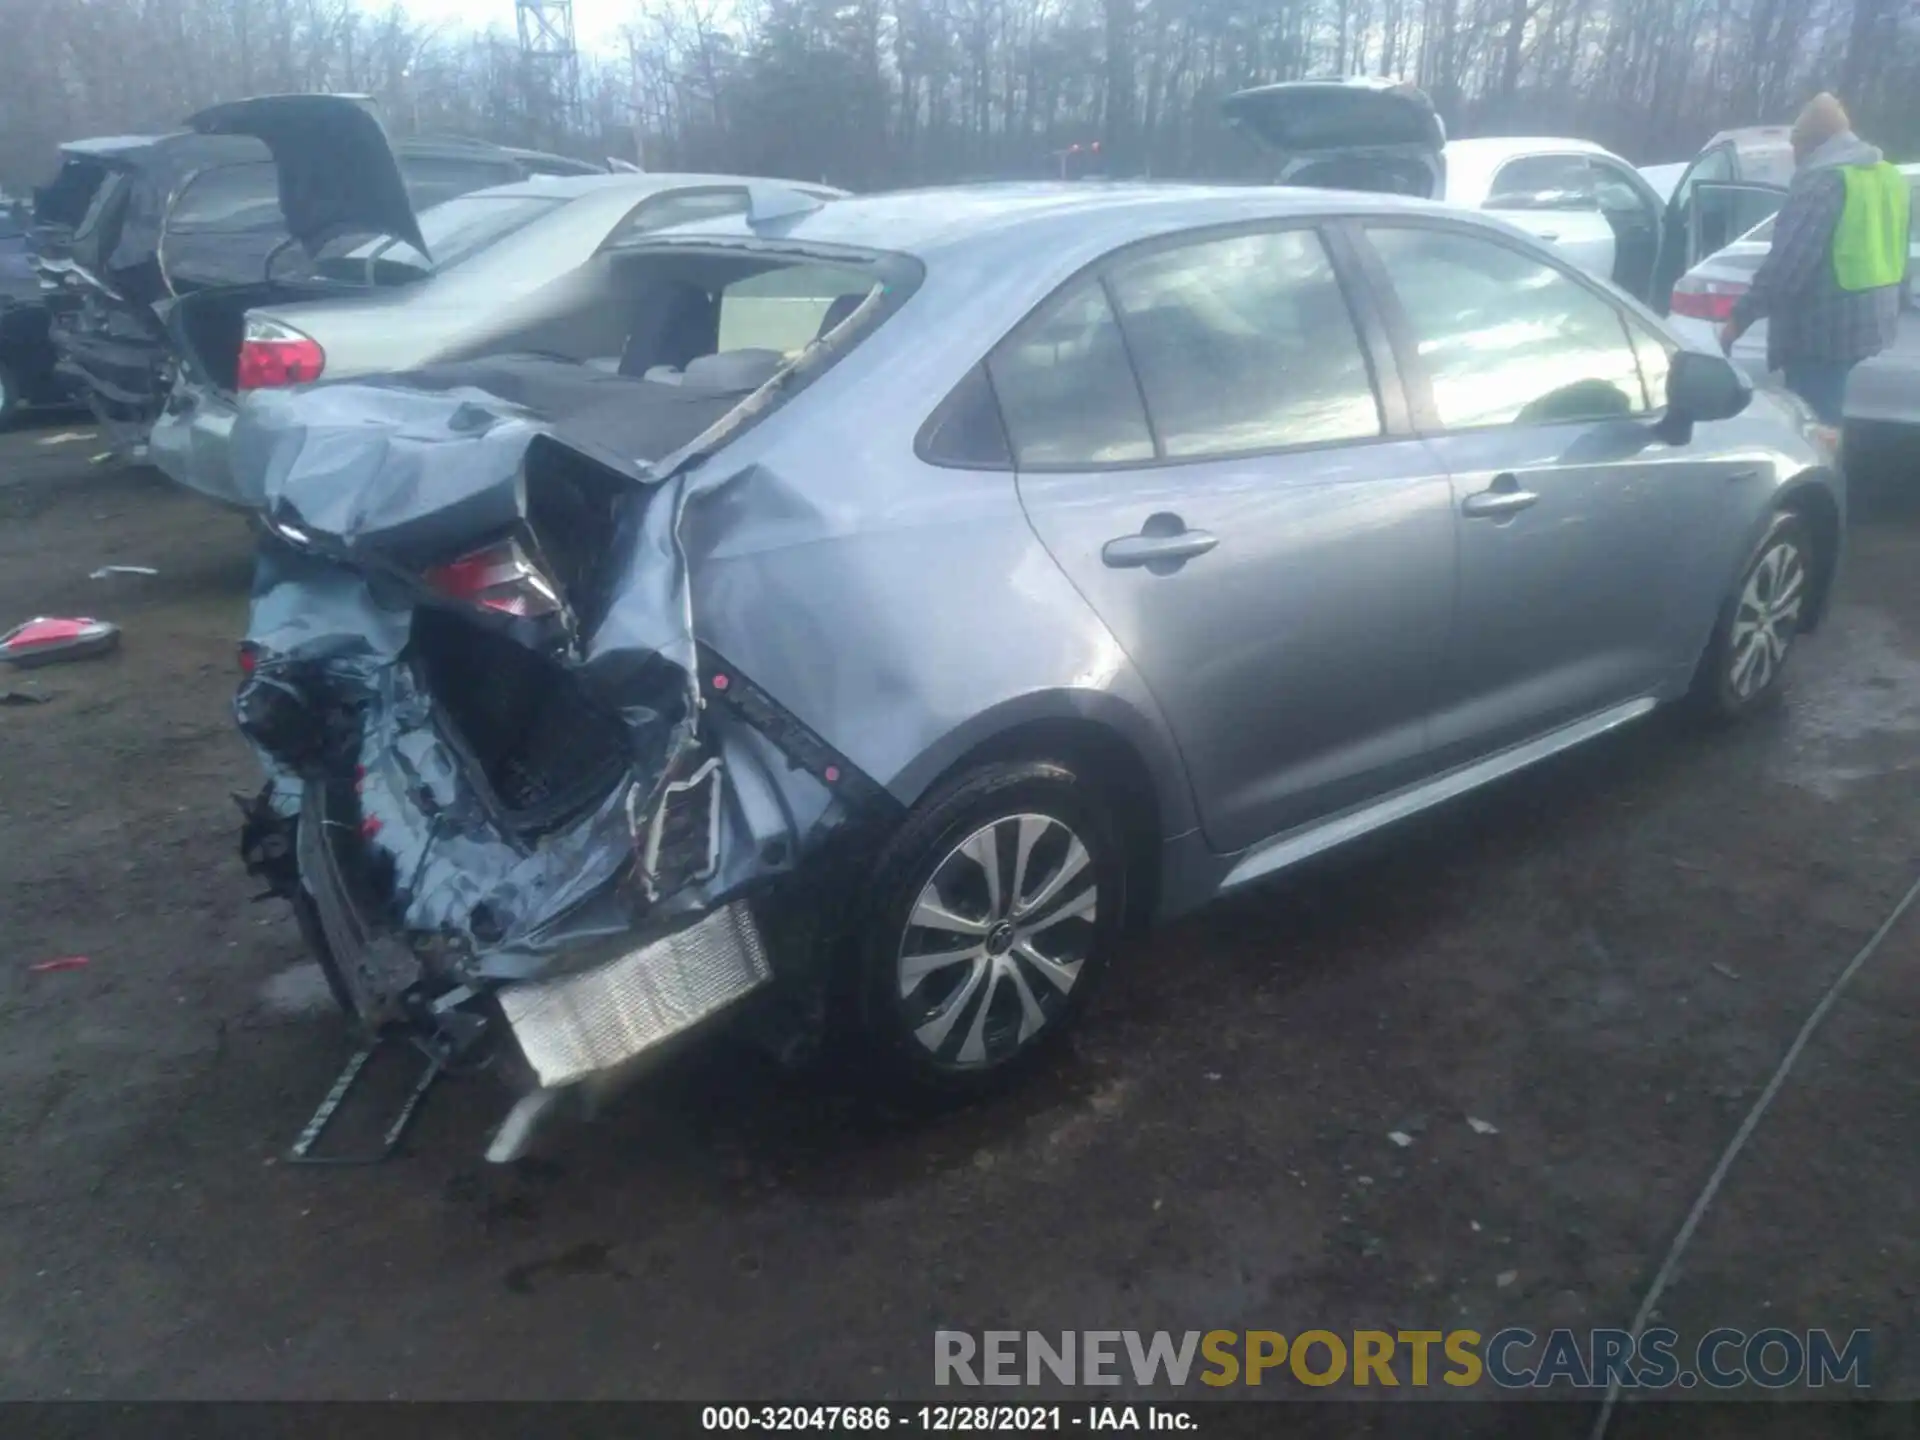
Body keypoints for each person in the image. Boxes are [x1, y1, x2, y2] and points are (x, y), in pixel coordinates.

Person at [1718, 93, 1911, 425]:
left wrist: (1737, 322)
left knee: (1815, 427)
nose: (1794, 157)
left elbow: (1787, 266)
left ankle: (1824, 474)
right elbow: (1899, 246)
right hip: (1872, 321)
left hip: (1823, 331)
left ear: (1812, 143)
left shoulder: (1823, 181)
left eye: (1795, 146)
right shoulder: (1888, 176)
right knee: (1830, 416)